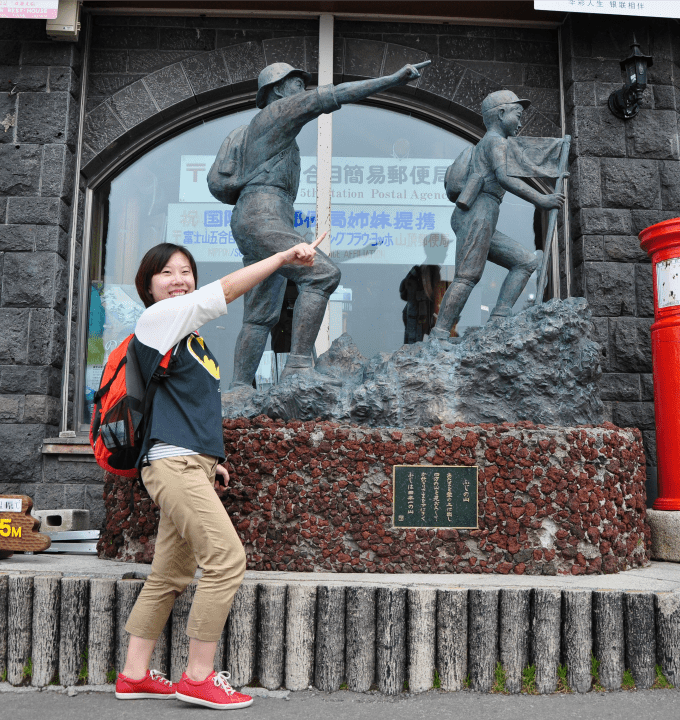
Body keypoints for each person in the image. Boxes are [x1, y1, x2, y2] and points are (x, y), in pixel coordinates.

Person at [115, 236, 322, 709]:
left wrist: (214, 459)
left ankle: (133, 673)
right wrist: (285, 257)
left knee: (170, 574)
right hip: (173, 463)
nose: (179, 279)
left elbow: (188, 407)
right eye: (166, 272)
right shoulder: (160, 318)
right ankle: (198, 676)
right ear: (148, 286)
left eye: (185, 271)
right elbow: (228, 289)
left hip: (188, 462)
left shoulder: (189, 339)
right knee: (227, 560)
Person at [221, 60, 428, 388]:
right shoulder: (277, 113)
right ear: (277, 89)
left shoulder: (262, 131)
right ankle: (298, 366)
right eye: (296, 83)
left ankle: (239, 388)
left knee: (260, 313)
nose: (303, 89)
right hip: (263, 216)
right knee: (323, 274)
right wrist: (391, 78)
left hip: (257, 219)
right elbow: (334, 95)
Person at [428, 90, 565, 340]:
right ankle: (438, 335)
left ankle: (499, 318)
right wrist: (541, 199)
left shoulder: (492, 142)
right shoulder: (495, 141)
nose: (521, 122)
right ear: (501, 114)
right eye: (517, 114)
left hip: (483, 215)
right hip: (478, 213)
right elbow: (505, 178)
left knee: (525, 261)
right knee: (467, 276)